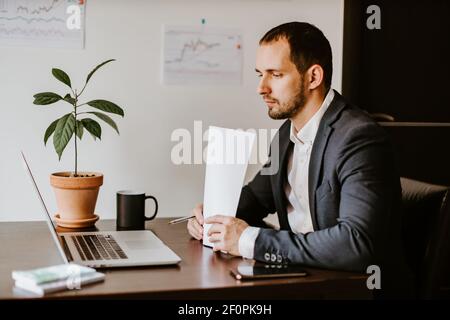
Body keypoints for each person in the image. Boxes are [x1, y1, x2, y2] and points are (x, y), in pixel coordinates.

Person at [187, 22, 410, 296]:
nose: (261, 87)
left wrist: (248, 241)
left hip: (355, 290)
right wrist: (211, 216)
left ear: (313, 77)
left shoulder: (359, 138)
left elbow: (355, 244)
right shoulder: (287, 133)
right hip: (303, 279)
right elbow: (257, 198)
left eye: (275, 75)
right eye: (260, 74)